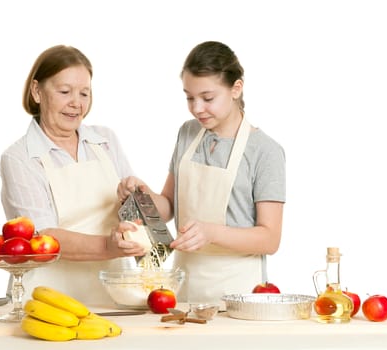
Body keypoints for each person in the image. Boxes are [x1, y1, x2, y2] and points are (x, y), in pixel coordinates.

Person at [118, 41, 286, 303]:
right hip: (185, 287)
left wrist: (212, 233)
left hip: (239, 292)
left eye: (207, 98)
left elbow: (270, 238)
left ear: (236, 89)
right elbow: (169, 206)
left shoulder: (265, 151)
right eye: (189, 97)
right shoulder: (188, 133)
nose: (197, 108)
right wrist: (141, 195)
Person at [0, 45, 145, 305]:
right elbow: (42, 237)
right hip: (49, 297)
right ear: (37, 91)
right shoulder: (19, 158)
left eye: (84, 93)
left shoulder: (105, 141)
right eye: (65, 92)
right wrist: (108, 247)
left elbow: (136, 219)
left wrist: (134, 198)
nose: (76, 103)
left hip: (113, 293)